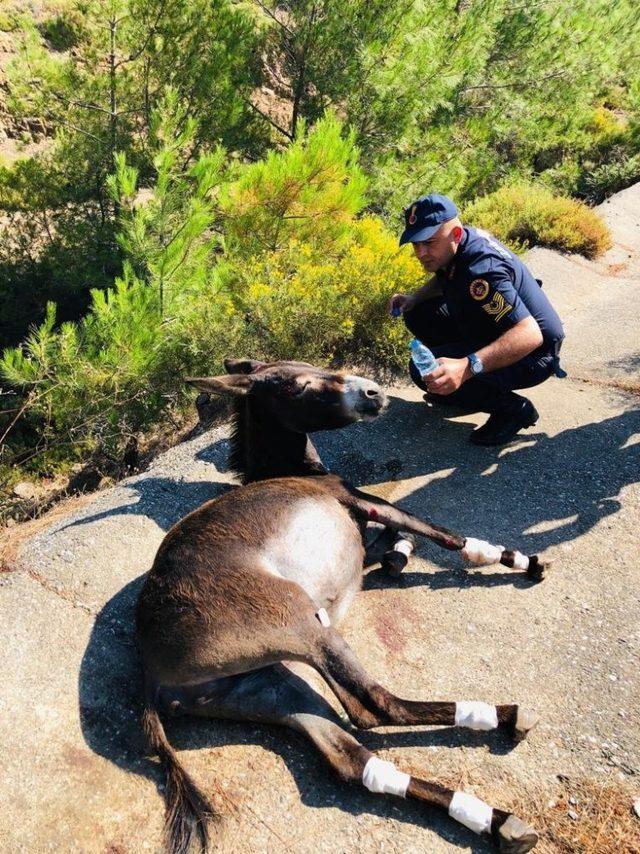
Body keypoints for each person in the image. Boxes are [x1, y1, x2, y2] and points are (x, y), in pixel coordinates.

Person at [390, 193, 565, 446]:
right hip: (494, 327)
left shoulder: (482, 270)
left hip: (534, 354)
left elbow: (530, 334)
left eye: (428, 242)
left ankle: (513, 409)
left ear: (456, 234)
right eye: (416, 244)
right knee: (419, 314)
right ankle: (462, 390)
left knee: (422, 372)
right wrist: (414, 298)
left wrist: (466, 367)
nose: (421, 253)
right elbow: (445, 273)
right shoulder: (456, 245)